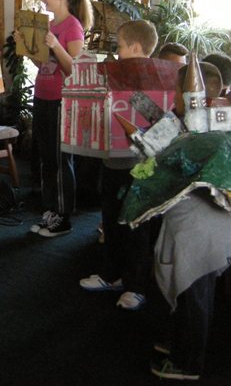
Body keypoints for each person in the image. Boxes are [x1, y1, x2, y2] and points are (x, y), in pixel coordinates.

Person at [149, 61, 231, 381]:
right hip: (195, 220)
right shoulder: (192, 123)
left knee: (193, 291)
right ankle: (179, 341)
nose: (174, 96)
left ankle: (190, 362)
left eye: (177, 91)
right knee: (190, 290)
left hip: (201, 225)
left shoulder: (209, 132)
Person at [80, 19, 159, 311]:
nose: (118, 52)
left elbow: (155, 117)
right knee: (111, 219)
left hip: (138, 166)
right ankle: (111, 274)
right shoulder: (115, 75)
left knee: (136, 225)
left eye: (121, 46)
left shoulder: (154, 79)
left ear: (136, 48)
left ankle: (136, 286)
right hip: (112, 160)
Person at [14, 0, 92, 237]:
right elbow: (42, 64)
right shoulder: (48, 25)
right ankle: (50, 211)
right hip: (43, 95)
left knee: (59, 159)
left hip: (62, 99)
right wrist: (25, 45)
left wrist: (56, 45)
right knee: (46, 158)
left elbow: (74, 69)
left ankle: (64, 216)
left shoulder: (72, 26)